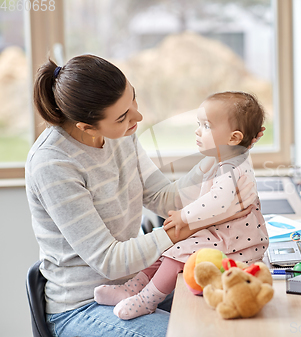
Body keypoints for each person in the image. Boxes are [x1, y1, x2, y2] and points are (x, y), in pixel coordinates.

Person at [26, 54, 263, 337]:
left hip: (134, 283)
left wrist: (222, 157)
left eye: (133, 100)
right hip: (81, 306)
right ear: (86, 127)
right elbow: (110, 261)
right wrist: (179, 230)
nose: (137, 117)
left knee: (248, 319)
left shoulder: (120, 134)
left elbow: (164, 197)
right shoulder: (53, 165)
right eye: (123, 116)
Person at [94, 91, 269, 320]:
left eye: (206, 126)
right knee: (163, 247)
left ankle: (148, 299)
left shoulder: (232, 169)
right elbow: (195, 188)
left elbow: (215, 202)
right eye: (199, 124)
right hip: (220, 231)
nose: (197, 131)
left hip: (234, 240)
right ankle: (131, 288)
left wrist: (184, 216)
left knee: (176, 255)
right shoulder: (226, 158)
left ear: (234, 138)